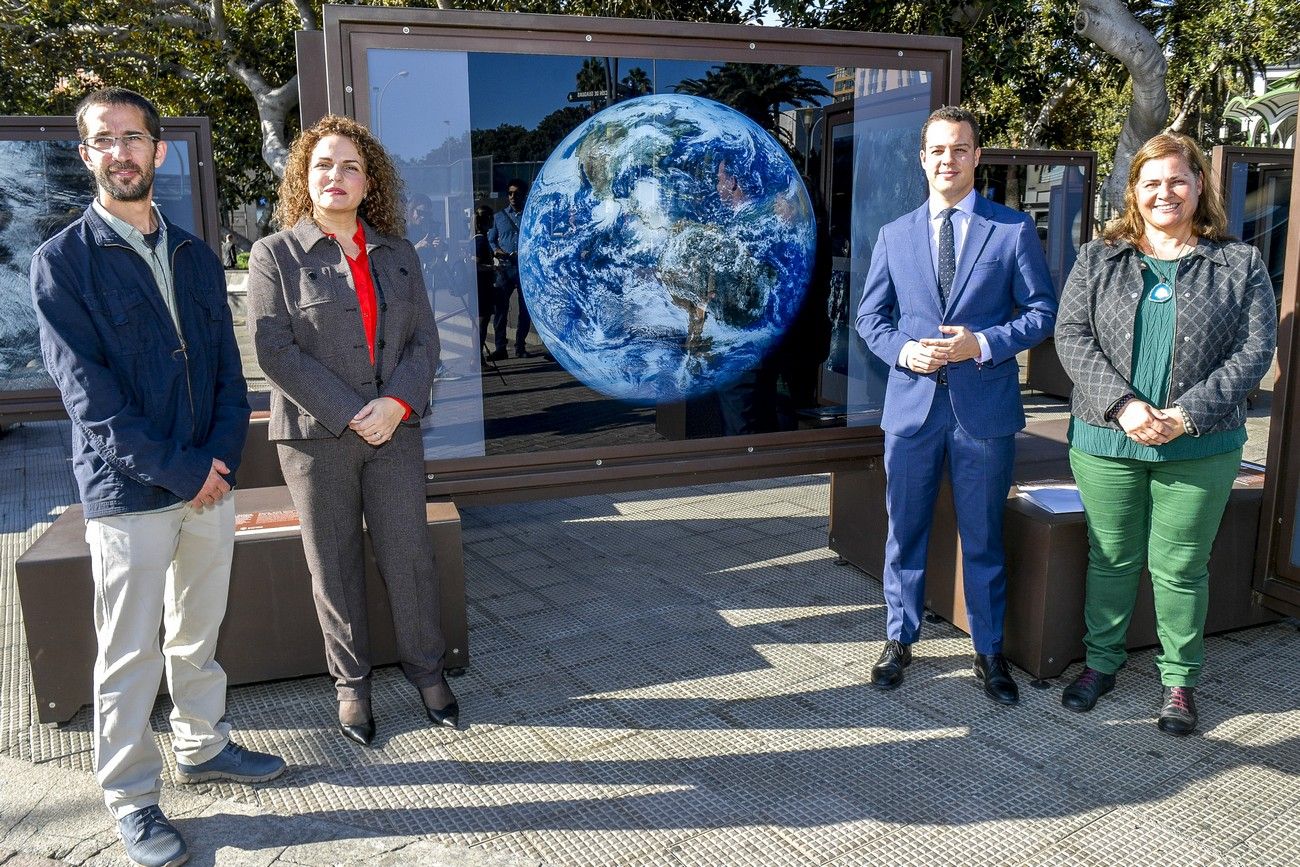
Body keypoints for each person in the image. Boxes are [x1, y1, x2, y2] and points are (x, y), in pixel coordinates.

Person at [29, 87, 285, 867]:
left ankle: (204, 745)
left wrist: (218, 461)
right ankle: (132, 798)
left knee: (198, 631)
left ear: (158, 151)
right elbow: (91, 402)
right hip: (130, 492)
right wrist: (183, 470)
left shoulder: (195, 254)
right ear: (86, 155)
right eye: (103, 139)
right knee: (131, 651)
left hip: (207, 480)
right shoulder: (61, 264)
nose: (121, 151)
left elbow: (225, 377)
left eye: (133, 137)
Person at [245, 114, 459, 750]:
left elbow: (424, 340)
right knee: (331, 565)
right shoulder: (274, 255)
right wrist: (350, 410)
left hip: (395, 429)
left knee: (409, 555)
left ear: (370, 183)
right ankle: (352, 686)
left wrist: (395, 404)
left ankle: (428, 672)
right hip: (315, 438)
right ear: (303, 180)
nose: (334, 176)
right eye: (322, 166)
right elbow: (275, 350)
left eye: (349, 166)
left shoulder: (398, 254)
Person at [1054, 132, 1276, 735]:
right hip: (1107, 439)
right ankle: (1101, 663)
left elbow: (1255, 349)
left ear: (1200, 185)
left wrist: (1184, 416)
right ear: (1134, 192)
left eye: (1177, 180)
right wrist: (1125, 406)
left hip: (1200, 444)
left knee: (1180, 566)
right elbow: (1071, 336)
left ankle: (1179, 682)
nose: (1164, 193)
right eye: (1151, 183)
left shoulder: (1239, 263)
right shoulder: (1099, 258)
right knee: (1112, 556)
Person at [855, 105, 1057, 705]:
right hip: (912, 411)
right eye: (938, 149)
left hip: (983, 413)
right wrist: (904, 352)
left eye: (960, 149)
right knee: (905, 531)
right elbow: (870, 318)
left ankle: (989, 651)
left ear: (977, 157)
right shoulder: (894, 235)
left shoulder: (1012, 230)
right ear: (923, 158)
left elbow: (1041, 313)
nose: (949, 159)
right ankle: (899, 639)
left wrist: (984, 344)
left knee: (984, 535)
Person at [487, 179, 532, 359]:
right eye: (510, 193)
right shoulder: (498, 217)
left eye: (516, 193)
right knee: (500, 310)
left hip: (524, 269)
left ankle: (520, 346)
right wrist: (497, 251)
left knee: (524, 310)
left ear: (523, 195)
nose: (513, 197)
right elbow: (491, 239)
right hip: (504, 269)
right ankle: (500, 348)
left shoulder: (530, 216)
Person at [472, 204, 498, 352]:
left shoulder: (478, 239)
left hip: (480, 287)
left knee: (478, 324)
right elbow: (475, 265)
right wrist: (494, 267)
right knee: (481, 324)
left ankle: (477, 358)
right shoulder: (480, 241)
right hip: (482, 288)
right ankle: (477, 358)